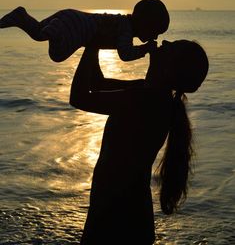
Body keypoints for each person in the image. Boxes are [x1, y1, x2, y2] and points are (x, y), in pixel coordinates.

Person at [69, 39, 209, 245]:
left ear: (169, 68)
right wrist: (96, 43)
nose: (165, 41)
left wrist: (91, 43)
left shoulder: (145, 100)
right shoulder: (150, 94)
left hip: (116, 214)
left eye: (171, 47)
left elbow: (79, 97)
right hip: (129, 213)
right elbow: (96, 83)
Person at [0, 0, 169, 62]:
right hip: (78, 25)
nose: (154, 36)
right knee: (57, 55)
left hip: (70, 16)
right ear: (144, 23)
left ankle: (21, 17)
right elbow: (124, 54)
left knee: (38, 32)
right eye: (155, 31)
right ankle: (56, 29)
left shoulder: (122, 23)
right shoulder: (125, 28)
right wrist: (144, 50)